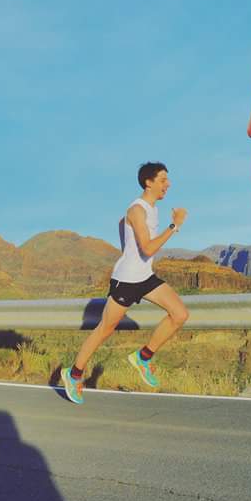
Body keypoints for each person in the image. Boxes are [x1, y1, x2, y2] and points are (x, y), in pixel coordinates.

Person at [61, 162, 189, 404]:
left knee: (180, 314)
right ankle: (74, 374)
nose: (168, 184)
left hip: (145, 276)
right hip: (126, 281)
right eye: (163, 180)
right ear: (148, 182)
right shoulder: (137, 210)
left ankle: (143, 357)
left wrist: (132, 255)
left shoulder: (151, 209)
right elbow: (149, 247)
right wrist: (176, 225)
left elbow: (123, 228)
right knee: (105, 330)